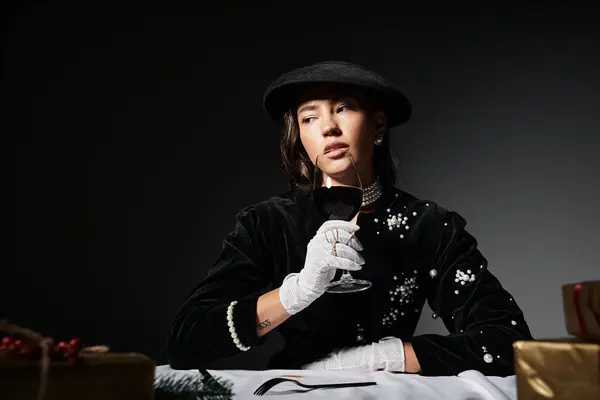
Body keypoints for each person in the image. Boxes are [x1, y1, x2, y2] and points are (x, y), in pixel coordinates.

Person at [166, 61, 533, 376]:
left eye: (343, 108)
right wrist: (297, 292)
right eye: (310, 117)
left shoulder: (430, 225)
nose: (328, 127)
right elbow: (186, 342)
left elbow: (510, 342)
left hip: (394, 390)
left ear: (377, 126)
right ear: (300, 140)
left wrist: (381, 357)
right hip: (293, 390)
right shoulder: (268, 223)